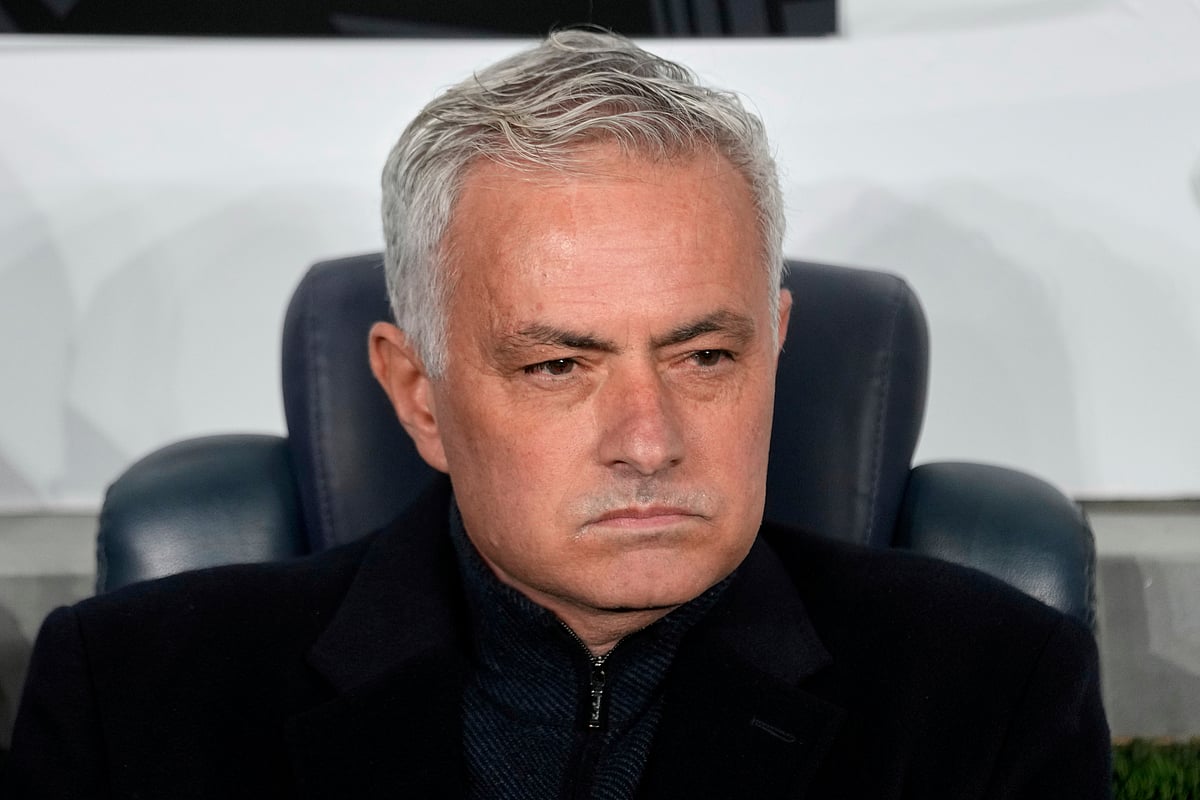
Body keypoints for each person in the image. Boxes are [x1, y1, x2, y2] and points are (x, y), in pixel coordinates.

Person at [2, 30, 1109, 798]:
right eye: (557, 366)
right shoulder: (137, 693)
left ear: (776, 344)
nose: (649, 436)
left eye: (706, 353)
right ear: (418, 395)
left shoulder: (990, 688)